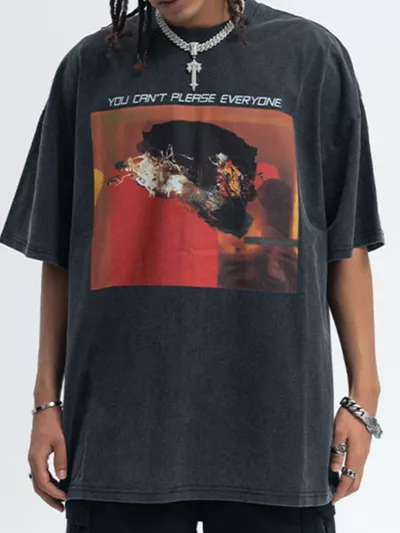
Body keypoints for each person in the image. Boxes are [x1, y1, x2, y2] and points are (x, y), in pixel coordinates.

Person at [0, 0, 385, 532]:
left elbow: (347, 242)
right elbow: (61, 252)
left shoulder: (310, 56)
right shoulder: (90, 66)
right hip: (120, 435)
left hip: (276, 431)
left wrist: (364, 396)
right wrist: (45, 401)